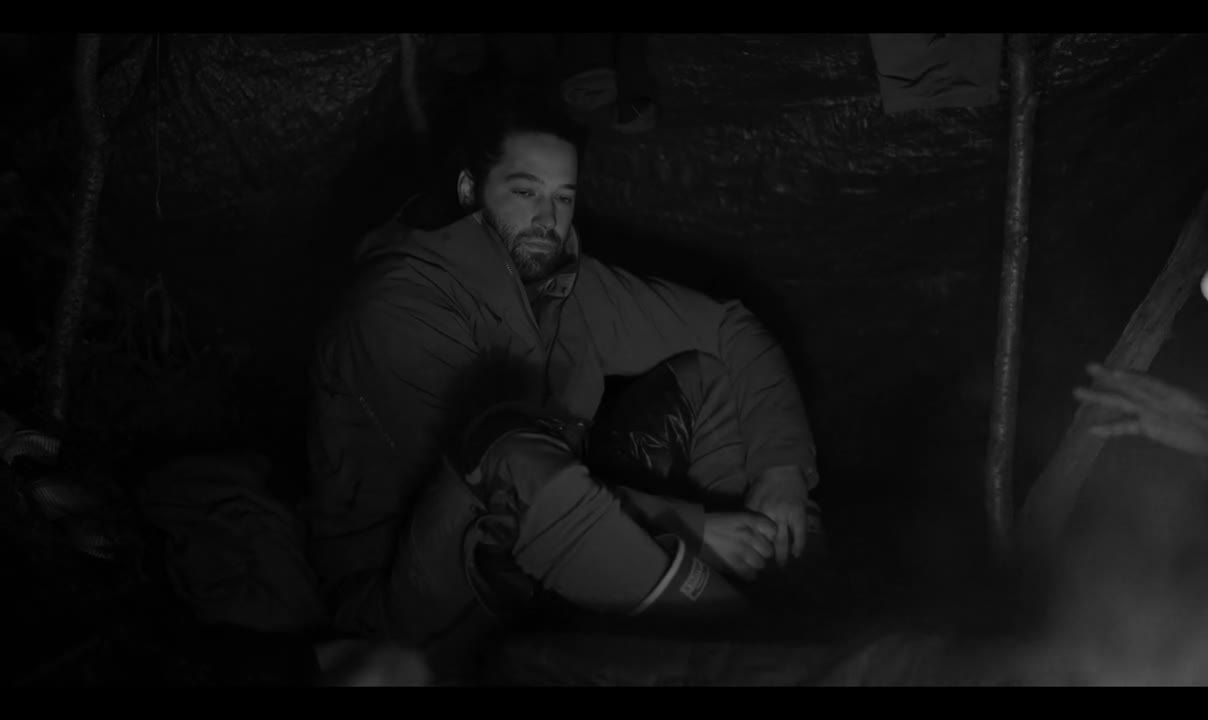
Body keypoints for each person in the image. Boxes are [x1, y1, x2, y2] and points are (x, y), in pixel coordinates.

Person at [301, 86, 821, 677]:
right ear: (471, 190)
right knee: (508, 456)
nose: (547, 220)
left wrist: (781, 469)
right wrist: (692, 528)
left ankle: (752, 590)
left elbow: (729, 328)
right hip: (418, 599)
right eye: (526, 192)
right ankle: (750, 656)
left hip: (551, 528)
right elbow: (494, 479)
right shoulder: (401, 305)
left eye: (563, 197)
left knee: (709, 376)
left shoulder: (560, 282)